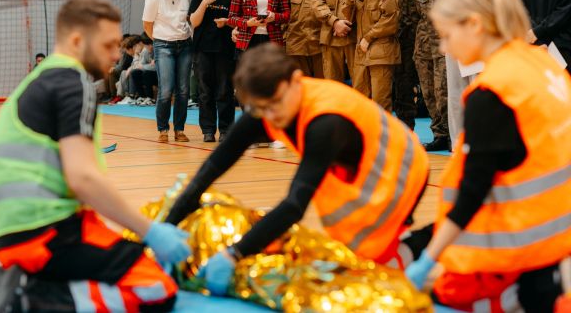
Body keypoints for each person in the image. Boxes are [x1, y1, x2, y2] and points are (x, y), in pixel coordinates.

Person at [164, 43, 429, 296]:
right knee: (352, 258)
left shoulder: (326, 122)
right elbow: (214, 166)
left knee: (373, 272)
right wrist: (165, 227)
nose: (270, 115)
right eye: (260, 108)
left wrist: (234, 254)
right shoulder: (270, 103)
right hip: (354, 167)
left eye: (275, 103)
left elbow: (294, 206)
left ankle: (431, 239)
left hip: (398, 167)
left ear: (296, 80)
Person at [0, 0, 191, 311]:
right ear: (77, 41)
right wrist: (149, 231)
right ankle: (29, 301)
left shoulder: (41, 78)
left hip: (10, 233)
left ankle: (36, 284)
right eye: (108, 45)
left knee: (121, 257)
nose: (116, 54)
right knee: (156, 289)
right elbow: (83, 178)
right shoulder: (73, 83)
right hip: (44, 234)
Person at [406, 0, 571, 312]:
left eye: (447, 36)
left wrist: (428, 259)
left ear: (475, 25)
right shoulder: (540, 64)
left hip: (517, 247)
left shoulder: (494, 93)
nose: (443, 49)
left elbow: (473, 190)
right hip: (556, 235)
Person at [445, 0, 501, 144]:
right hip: (456, 45)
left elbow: (494, 13)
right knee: (455, 94)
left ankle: (483, 140)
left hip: (480, 45)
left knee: (480, 92)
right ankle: (458, 141)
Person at [411, 0, 456, 152]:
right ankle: (438, 133)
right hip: (423, 46)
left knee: (443, 92)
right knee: (428, 93)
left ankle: (448, 133)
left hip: (444, 45)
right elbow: (414, 16)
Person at [143, 0, 193, 143]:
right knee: (165, 90)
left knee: (183, 90)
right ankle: (163, 129)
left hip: (185, 46)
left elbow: (190, 19)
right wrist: (159, 40)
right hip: (163, 46)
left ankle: (179, 130)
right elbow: (147, 25)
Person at [345, 0, 401, 111]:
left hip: (380, 51)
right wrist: (348, 0)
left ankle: (383, 137)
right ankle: (365, 136)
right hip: (362, 52)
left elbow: (391, 20)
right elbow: (348, 18)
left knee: (380, 102)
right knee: (360, 100)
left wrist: (368, 38)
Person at [189, 0, 236, 143]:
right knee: (205, 92)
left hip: (225, 49)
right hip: (203, 50)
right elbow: (194, 21)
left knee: (225, 90)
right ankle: (208, 130)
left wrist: (226, 22)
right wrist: (204, 3)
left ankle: (226, 129)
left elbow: (236, 22)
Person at [390, 0, 425, 130]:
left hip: (426, 37)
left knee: (432, 87)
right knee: (402, 86)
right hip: (403, 38)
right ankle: (405, 130)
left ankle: (441, 133)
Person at [128, 35, 158, 105]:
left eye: (151, 44)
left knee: (146, 73)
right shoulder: (145, 51)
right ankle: (142, 96)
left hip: (160, 75)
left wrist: (144, 67)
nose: (150, 46)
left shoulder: (158, 50)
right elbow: (139, 66)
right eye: (147, 45)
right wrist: (148, 66)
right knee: (135, 72)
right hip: (150, 73)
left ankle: (151, 98)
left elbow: (156, 67)